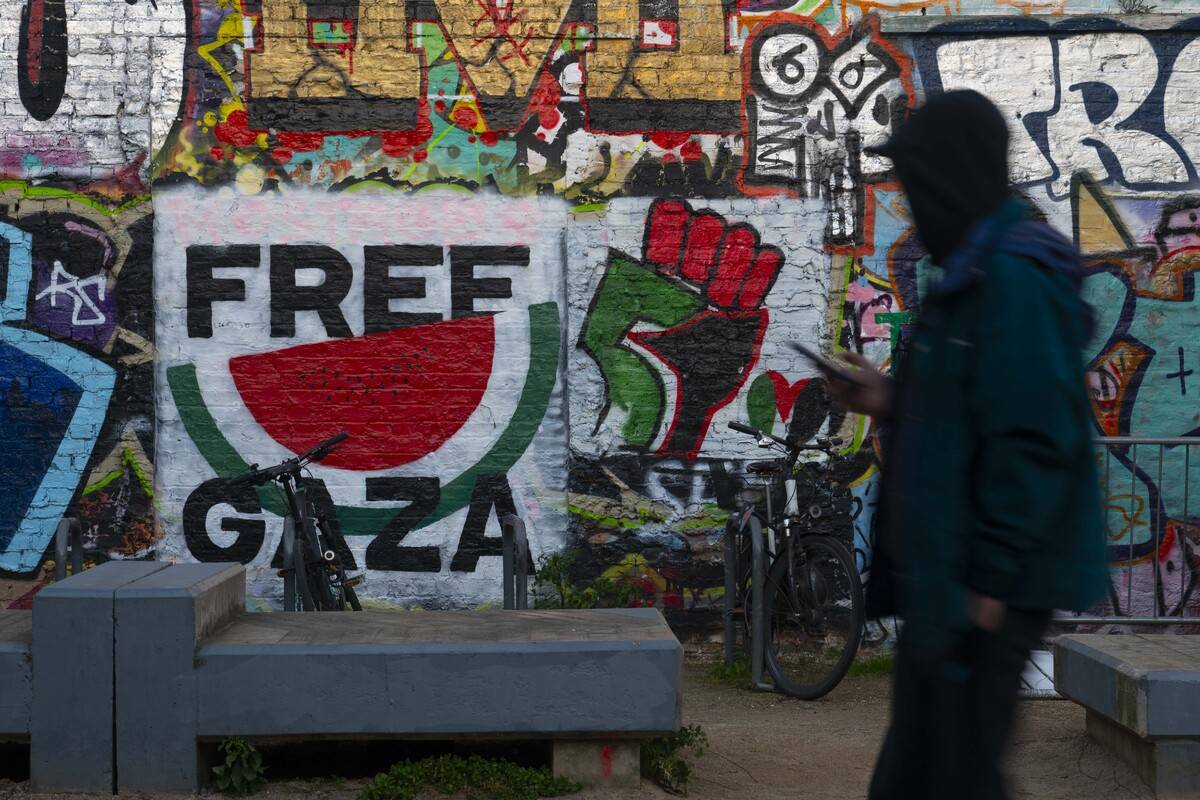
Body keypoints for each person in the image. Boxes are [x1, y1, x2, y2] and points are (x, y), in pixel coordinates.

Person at [828, 90, 1109, 800]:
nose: (912, 203)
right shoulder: (975, 272)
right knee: (931, 778)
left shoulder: (1010, 277)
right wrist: (888, 398)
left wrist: (989, 585)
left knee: (947, 779)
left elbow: (1034, 439)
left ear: (950, 179)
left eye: (918, 184)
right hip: (946, 585)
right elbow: (975, 406)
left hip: (976, 593)